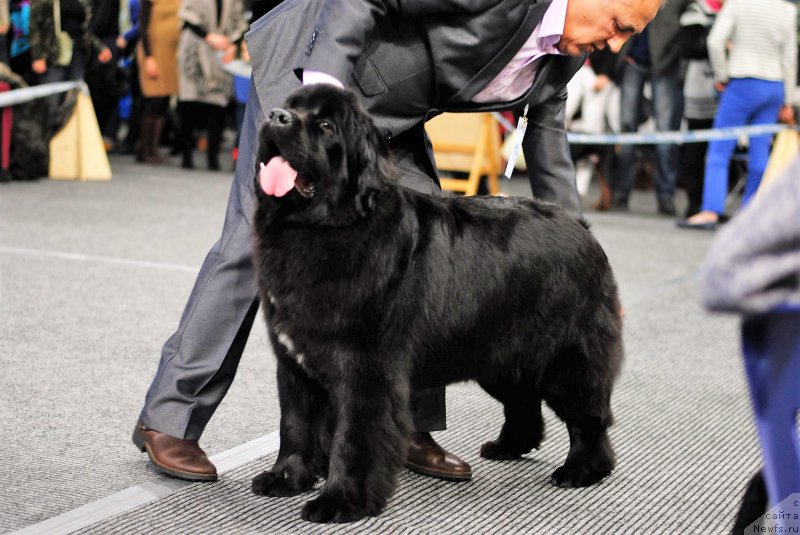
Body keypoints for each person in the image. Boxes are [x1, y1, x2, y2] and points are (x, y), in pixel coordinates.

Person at [133, 0, 663, 483]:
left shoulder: (568, 55)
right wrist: (325, 101)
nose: (617, 45)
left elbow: (550, 147)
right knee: (257, 240)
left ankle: (407, 426)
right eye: (619, 26)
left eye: (630, 36)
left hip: (394, 108)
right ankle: (173, 417)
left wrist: (580, 272)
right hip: (319, 68)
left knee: (426, 246)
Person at [678, 0, 797, 230]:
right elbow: (790, 58)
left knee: (719, 150)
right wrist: (788, 101)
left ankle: (711, 210)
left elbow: (715, 41)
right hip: (774, 86)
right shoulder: (788, 10)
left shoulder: (738, 4)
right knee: (760, 150)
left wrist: (722, 76)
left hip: (742, 82)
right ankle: (750, 213)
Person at [608, 0, 692, 215]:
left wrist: (672, 59)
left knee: (665, 133)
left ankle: (666, 197)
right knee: (627, 130)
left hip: (664, 66)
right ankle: (620, 194)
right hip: (632, 61)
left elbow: (688, 25)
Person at [176, 0, 247, 171]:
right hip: (195, 50)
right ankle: (186, 155)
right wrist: (209, 36)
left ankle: (212, 157)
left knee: (218, 107)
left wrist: (231, 42)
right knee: (189, 106)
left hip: (221, 53)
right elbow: (187, 17)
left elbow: (240, 23)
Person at [29, 0, 112, 129]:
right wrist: (37, 56)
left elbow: (86, 29)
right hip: (53, 54)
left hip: (78, 52)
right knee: (50, 102)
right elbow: (34, 25)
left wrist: (100, 48)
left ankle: (67, 145)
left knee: (74, 102)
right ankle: (46, 143)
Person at [677, 0, 722, 219]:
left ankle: (712, 206)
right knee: (695, 150)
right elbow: (689, 48)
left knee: (718, 152)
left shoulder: (729, 11)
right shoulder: (695, 10)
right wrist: (720, 44)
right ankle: (694, 203)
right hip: (699, 91)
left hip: (723, 94)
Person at [136, 0, 181, 164]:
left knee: (164, 100)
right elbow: (143, 27)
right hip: (154, 52)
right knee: (153, 99)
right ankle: (144, 149)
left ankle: (153, 149)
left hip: (171, 53)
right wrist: (149, 57)